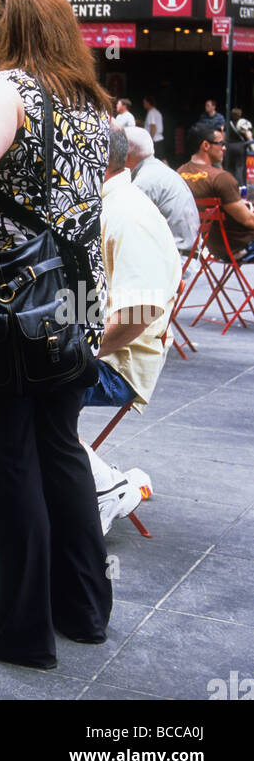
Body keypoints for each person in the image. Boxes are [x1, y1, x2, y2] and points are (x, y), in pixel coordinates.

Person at [0, 0, 113, 670]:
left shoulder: (8, 88)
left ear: (12, 29)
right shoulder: (88, 102)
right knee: (59, 447)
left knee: (6, 457)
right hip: (74, 299)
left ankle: (20, 629)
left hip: (9, 302)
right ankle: (82, 610)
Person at [82, 125, 180, 533]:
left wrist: (77, 351)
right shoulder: (105, 203)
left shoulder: (127, 214)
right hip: (94, 346)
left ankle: (107, 486)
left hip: (117, 364)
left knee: (17, 388)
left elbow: (138, 312)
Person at [177, 123, 254, 262]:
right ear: (206, 145)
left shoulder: (180, 173)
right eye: (221, 143)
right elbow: (248, 220)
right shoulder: (221, 178)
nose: (224, 148)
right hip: (237, 246)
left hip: (207, 245)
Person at [126, 127, 199, 255]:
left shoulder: (144, 181)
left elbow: (127, 226)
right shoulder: (156, 169)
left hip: (174, 260)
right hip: (185, 253)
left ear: (126, 154)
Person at [225, 107, 250, 187]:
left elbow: (224, 135)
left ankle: (230, 184)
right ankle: (240, 185)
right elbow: (248, 135)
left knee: (230, 166)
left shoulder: (228, 124)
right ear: (240, 114)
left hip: (230, 146)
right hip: (240, 146)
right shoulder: (242, 123)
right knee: (239, 166)